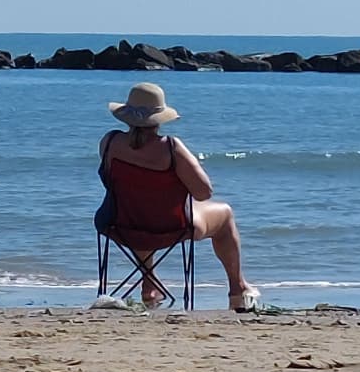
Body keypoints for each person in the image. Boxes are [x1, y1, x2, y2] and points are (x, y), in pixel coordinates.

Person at [97, 82, 259, 312]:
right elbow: (204, 193)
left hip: (119, 224)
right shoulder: (171, 148)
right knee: (224, 214)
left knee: (140, 206)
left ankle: (149, 284)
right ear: (159, 118)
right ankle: (237, 288)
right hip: (173, 227)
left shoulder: (109, 143)